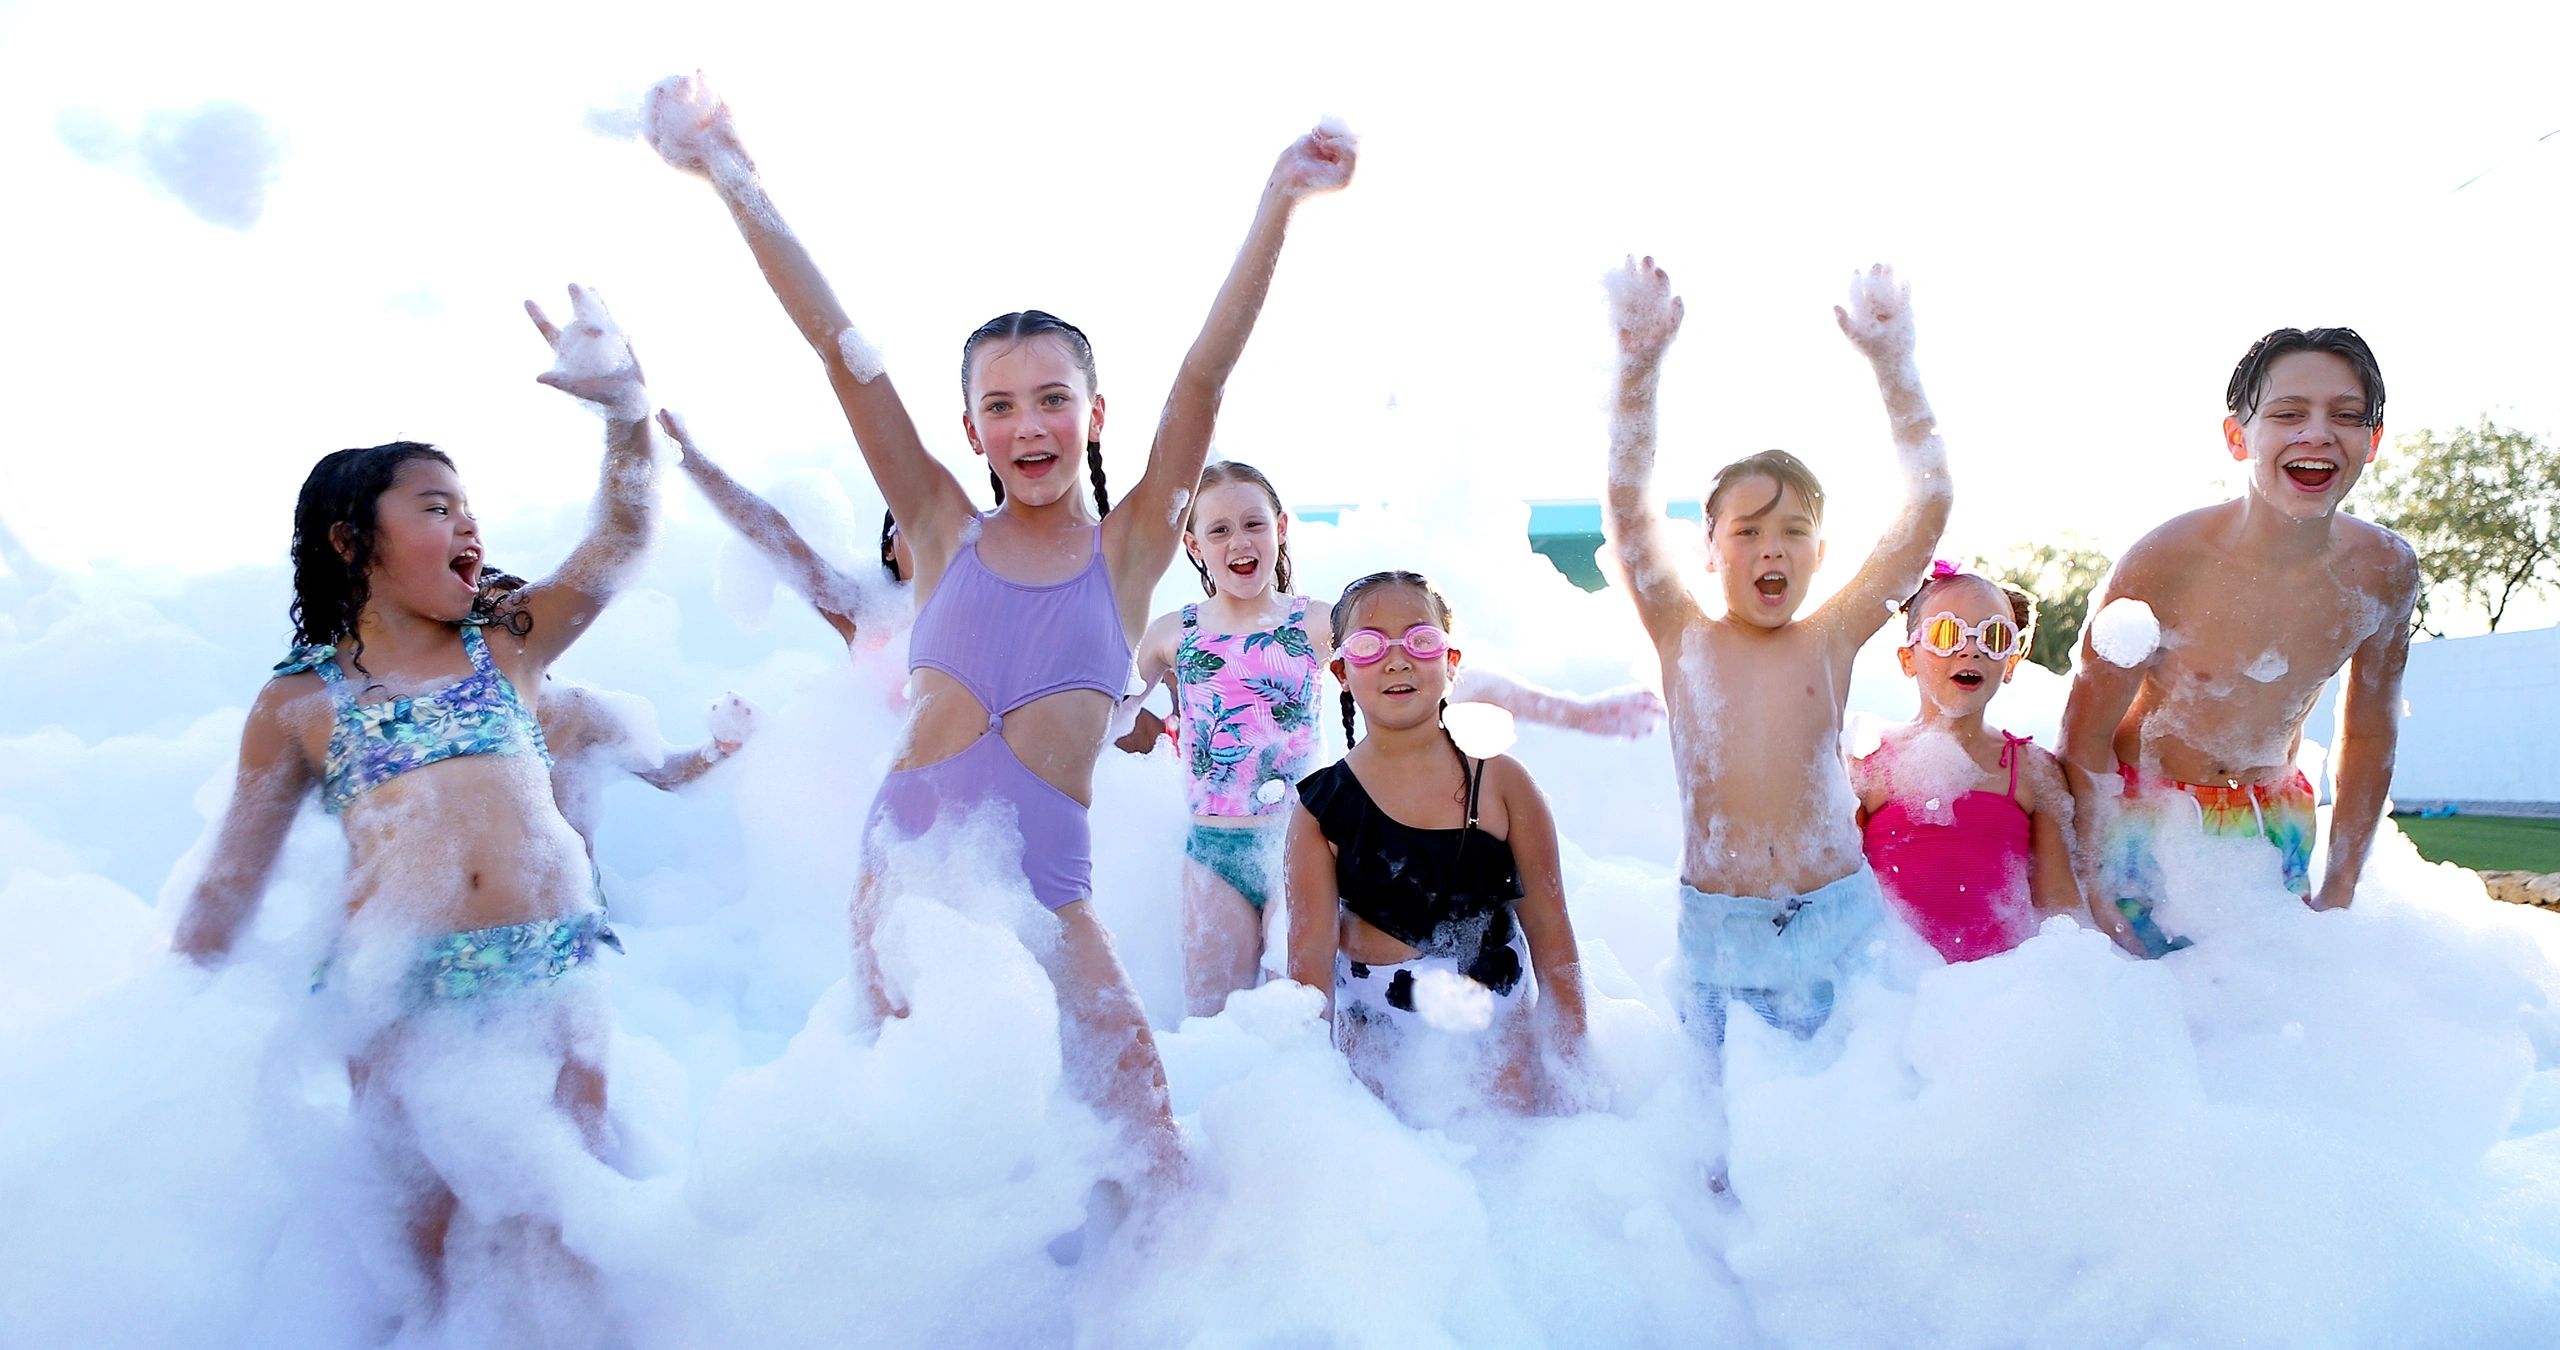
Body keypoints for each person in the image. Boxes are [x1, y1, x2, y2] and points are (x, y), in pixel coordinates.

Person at [643, 72, 1353, 1176]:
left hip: (1045, 891)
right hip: (909, 878)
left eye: (1054, 398)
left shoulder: (1129, 553)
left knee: (1147, 1142)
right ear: (971, 429)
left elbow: (1203, 378)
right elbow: (841, 352)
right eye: (1002, 405)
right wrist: (728, 168)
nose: (1030, 425)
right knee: (910, 1165)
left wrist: (1279, 201)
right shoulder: (938, 532)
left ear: (1094, 415)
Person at [170, 287, 660, 1309]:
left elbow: (616, 546)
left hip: (548, 967)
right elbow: (230, 878)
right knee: (424, 1247)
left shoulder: (505, 648)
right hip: (399, 987)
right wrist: (163, 1019)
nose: (467, 522)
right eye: (436, 507)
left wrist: (625, 412)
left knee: (577, 1220)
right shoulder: (301, 702)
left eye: (468, 507)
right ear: (351, 543)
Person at [1128, 461, 1665, 1017]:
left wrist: (1577, 712)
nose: (1239, 541)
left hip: (1297, 845)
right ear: (1193, 543)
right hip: (1214, 849)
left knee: (1301, 1010)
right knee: (1214, 1021)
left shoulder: (1312, 624)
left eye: (1253, 524)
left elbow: (1445, 671)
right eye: (1219, 530)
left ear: (1280, 528)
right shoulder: (1173, 633)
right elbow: (1107, 713)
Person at [1600, 256, 1951, 1064]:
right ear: (1709, 549)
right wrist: (1639, 368)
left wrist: (1893, 365)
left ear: (1820, 553)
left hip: (1838, 929)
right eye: (1748, 532)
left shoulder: (1830, 637)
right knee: (1720, 1129)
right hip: (1720, 940)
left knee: (1849, 1113)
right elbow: (1626, 505)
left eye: (1794, 532)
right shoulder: (1683, 636)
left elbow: (1928, 507)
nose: (1772, 549)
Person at [2059, 328, 2417, 957]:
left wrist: (2340, 887)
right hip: (2148, 820)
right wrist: (2092, 884)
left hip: (2272, 821)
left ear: (2373, 440)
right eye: (2288, 414)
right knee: (2154, 1003)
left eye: (2346, 415)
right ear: (2237, 437)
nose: (2317, 434)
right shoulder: (2166, 561)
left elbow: (2369, 732)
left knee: (2272, 1003)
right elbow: (2084, 736)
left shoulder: (2383, 571)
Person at [1284, 571, 1589, 1113]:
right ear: (1342, 672)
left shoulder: (1501, 783)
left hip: (1495, 1047)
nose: (1397, 660)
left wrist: (1574, 1073)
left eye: (1420, 640)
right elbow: (1308, 974)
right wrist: (1312, 1101)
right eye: (1370, 644)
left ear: (1450, 661)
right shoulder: (1321, 810)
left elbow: (1553, 940)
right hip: (1379, 1048)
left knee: (1516, 1145)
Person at [1853, 562, 2084, 961]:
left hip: (2000, 986)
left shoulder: (2032, 770)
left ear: (2010, 664)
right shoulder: (1868, 762)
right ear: (1908, 659)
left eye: (1994, 637)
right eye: (1948, 634)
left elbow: (2060, 909)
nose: (1971, 649)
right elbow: (1838, 894)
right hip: (1893, 984)